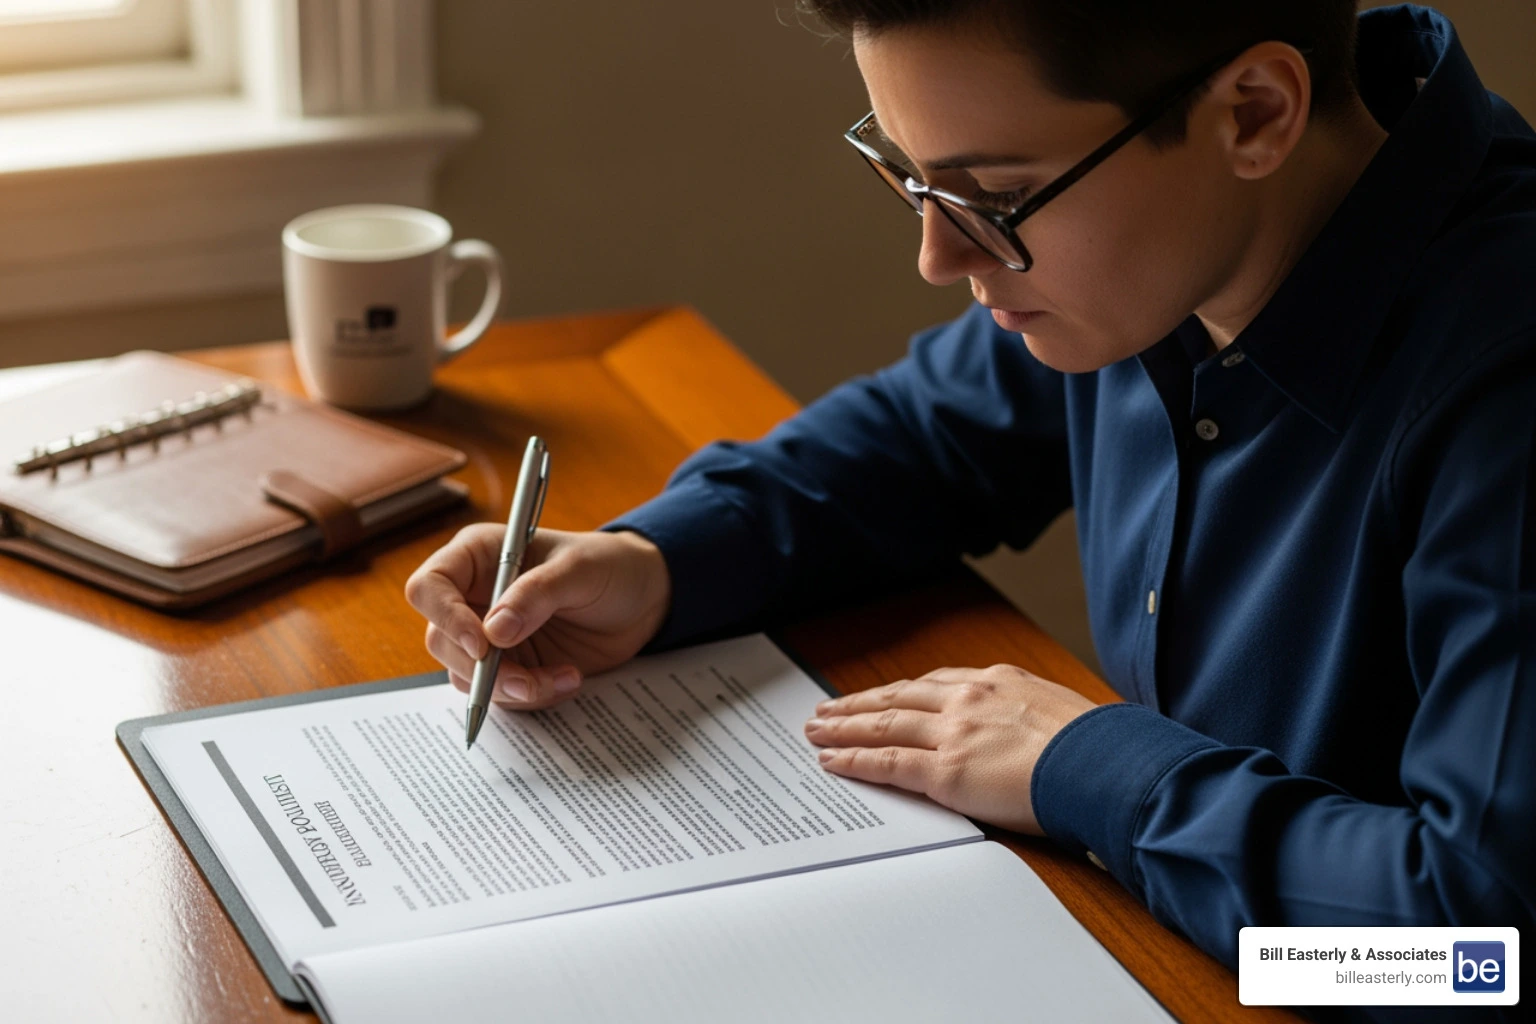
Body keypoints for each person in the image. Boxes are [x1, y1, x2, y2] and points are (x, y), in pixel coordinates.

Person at [407, 3, 1533, 1017]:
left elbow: (1477, 960)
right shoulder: (1178, 248)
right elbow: (924, 439)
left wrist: (1091, 772)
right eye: (910, 180)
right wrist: (654, 559)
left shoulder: (1501, 383)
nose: (939, 256)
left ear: (1255, 114)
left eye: (991, 199)